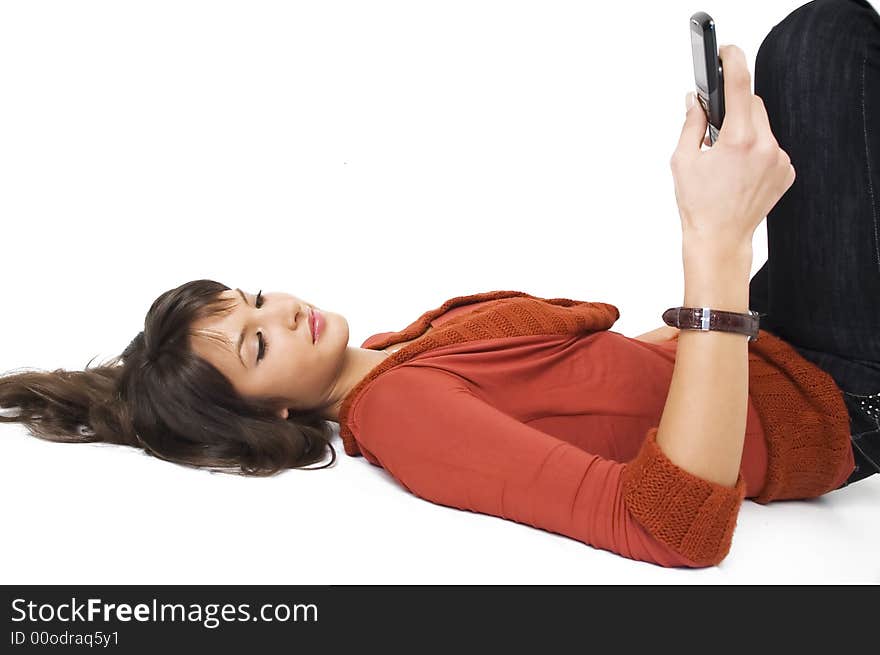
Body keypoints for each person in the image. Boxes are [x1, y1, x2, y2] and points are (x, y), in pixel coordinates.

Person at [1, 0, 878, 568]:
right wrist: (714, 240)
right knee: (820, 47)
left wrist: (731, 290)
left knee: (814, 66)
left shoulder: (393, 351)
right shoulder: (401, 414)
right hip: (838, 399)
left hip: (778, 342)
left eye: (254, 298)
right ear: (265, 416)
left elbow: (612, 377)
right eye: (256, 344)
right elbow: (670, 525)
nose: (282, 311)